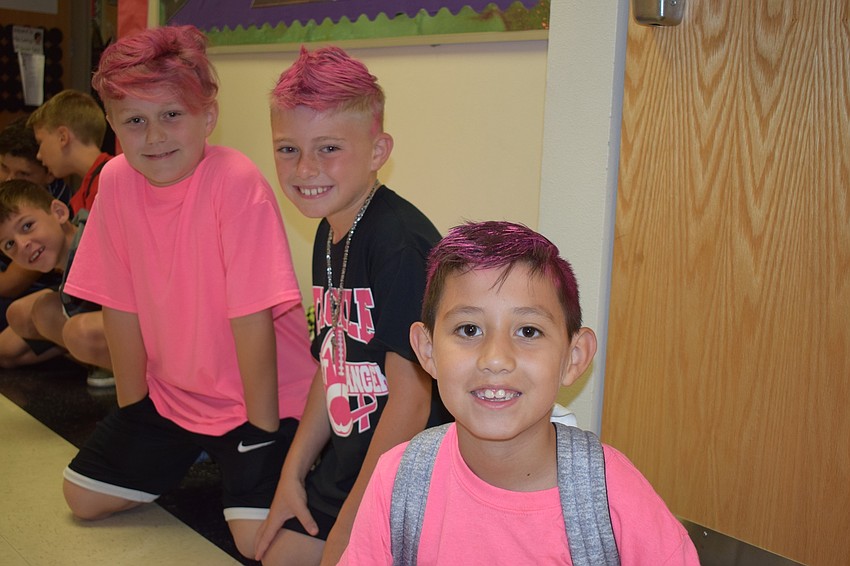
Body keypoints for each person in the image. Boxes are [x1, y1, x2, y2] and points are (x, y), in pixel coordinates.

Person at [59, 25, 316, 560]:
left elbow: (251, 319)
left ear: (208, 116)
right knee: (81, 497)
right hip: (174, 398)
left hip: (259, 401)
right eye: (135, 121)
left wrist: (262, 430)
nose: (155, 136)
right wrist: (134, 412)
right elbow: (119, 307)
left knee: (258, 545)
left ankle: (278, 454)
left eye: (172, 115)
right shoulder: (116, 184)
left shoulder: (235, 181)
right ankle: (199, 451)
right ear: (113, 127)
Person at [338, 221, 701, 565]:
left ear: (573, 358)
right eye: (469, 329)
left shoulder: (611, 496)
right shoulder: (400, 481)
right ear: (428, 351)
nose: (496, 359)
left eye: (528, 331)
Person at [254, 46, 450, 565]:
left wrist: (351, 525)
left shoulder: (400, 245)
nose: (305, 169)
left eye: (329, 148)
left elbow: (411, 401)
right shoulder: (330, 229)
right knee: (272, 555)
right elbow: (332, 363)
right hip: (350, 466)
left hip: (409, 479)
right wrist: (292, 475)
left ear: (378, 150)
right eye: (288, 149)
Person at [0, 179, 106, 373]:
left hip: (162, 336)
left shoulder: (95, 247)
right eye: (9, 244)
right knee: (42, 309)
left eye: (27, 226)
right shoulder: (73, 255)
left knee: (78, 333)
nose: (22, 245)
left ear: (59, 212)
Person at [0, 115, 68, 338]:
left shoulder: (47, 211)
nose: (9, 180)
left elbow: (9, 285)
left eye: (23, 174)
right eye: (4, 167)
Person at [26, 89, 112, 217]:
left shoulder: (112, 180)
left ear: (63, 137)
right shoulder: (91, 186)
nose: (39, 155)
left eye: (40, 142)